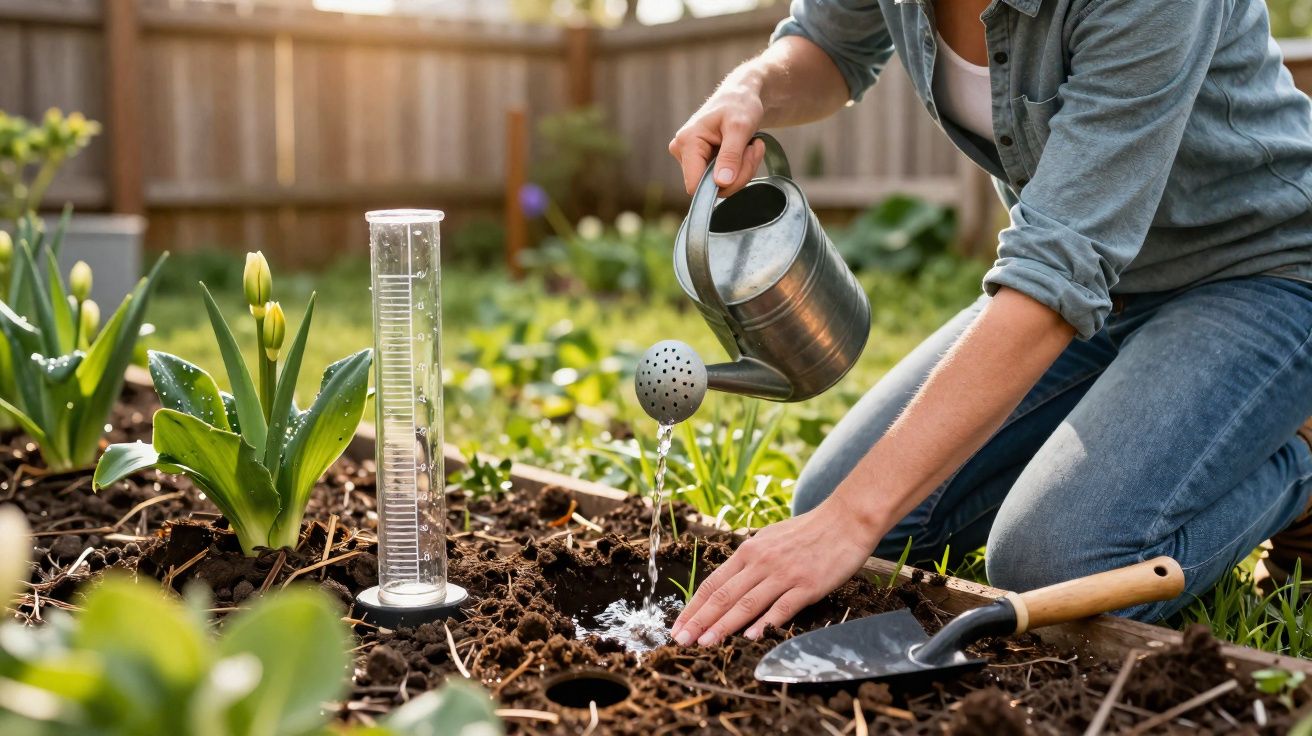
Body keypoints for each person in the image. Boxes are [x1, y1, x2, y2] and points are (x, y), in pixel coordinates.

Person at [668, 0, 1312, 648]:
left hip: (1261, 272)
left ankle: (1300, 460)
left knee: (1055, 571)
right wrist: (750, 88)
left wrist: (851, 517)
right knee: (848, 513)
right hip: (1103, 291)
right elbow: (830, 44)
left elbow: (1057, 269)